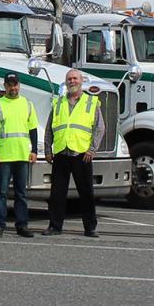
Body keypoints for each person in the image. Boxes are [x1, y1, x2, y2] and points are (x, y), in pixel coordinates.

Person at [44, 69, 105, 238]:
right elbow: (49, 128)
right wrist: (48, 149)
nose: (72, 81)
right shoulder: (58, 103)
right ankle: (54, 226)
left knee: (86, 193)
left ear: (81, 81)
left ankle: (90, 227)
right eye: (69, 79)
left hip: (81, 154)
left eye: (75, 78)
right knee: (57, 194)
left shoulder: (91, 102)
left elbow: (100, 128)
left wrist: (92, 149)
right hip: (62, 153)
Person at [0, 73, 38, 238]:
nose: (13, 88)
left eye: (15, 84)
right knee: (1, 193)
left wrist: (34, 150)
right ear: (5, 86)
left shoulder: (27, 104)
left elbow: (33, 129)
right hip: (4, 156)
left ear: (19, 85)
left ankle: (22, 225)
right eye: (9, 85)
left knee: (21, 193)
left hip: (22, 155)